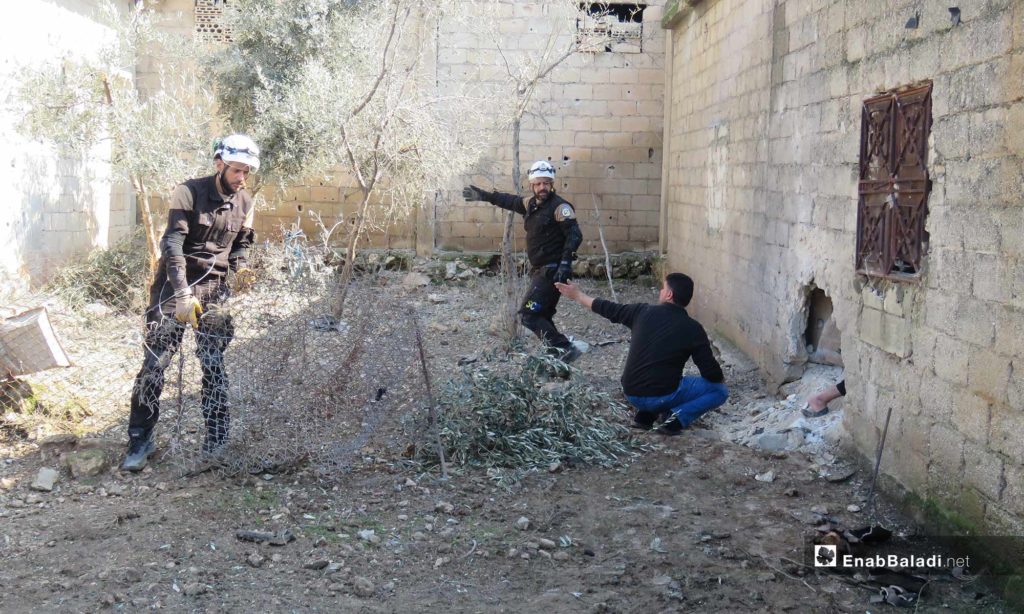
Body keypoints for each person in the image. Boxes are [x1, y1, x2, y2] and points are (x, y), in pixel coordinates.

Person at [122, 134, 261, 471]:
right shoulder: (189, 191)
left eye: (246, 172)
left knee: (213, 366)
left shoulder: (247, 202)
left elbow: (242, 244)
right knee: (155, 365)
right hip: (174, 285)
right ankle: (140, 441)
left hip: (215, 291)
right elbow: (172, 244)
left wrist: (241, 269)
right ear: (219, 164)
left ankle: (217, 441)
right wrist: (182, 293)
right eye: (236, 170)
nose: (241, 177)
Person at [555, 273, 728, 435]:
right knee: (720, 391)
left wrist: (577, 295)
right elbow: (710, 373)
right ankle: (674, 421)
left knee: (661, 377)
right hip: (661, 394)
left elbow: (608, 308)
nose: (660, 291)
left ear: (668, 294)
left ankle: (646, 416)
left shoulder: (641, 312)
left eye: (663, 288)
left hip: (631, 391)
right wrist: (720, 379)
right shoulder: (693, 328)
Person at [463, 160, 583, 361]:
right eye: (537, 184)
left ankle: (563, 348)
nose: (542, 187)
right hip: (540, 270)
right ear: (532, 185)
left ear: (551, 184)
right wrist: (485, 196)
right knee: (542, 315)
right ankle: (559, 357)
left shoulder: (560, 207)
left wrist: (565, 263)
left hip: (552, 272)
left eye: (545, 183)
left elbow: (574, 235)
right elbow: (509, 201)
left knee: (529, 314)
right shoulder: (531, 204)